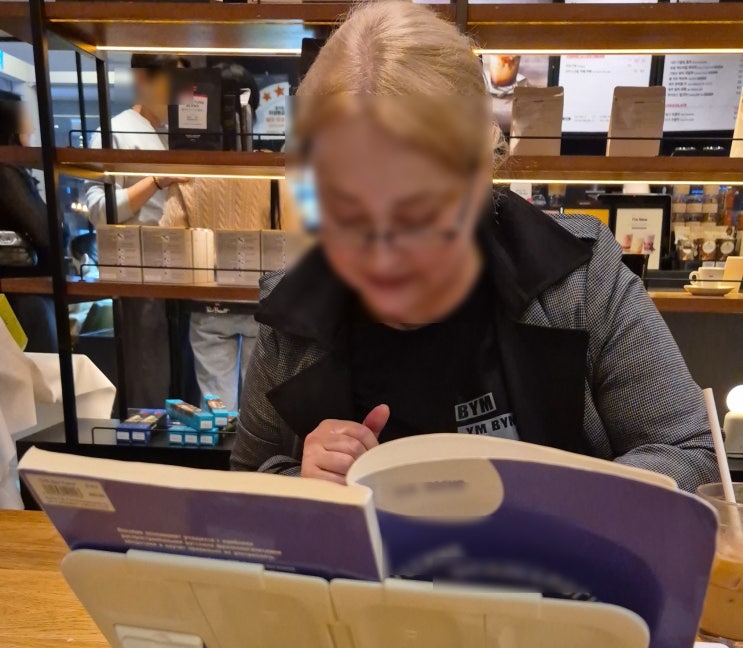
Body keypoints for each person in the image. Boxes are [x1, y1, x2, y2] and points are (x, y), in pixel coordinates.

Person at [231, 0, 717, 493]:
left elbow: (691, 452)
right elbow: (247, 484)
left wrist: (566, 500)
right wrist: (301, 484)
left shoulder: (580, 280)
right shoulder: (291, 321)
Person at [161, 63, 301, 411]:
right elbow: (293, 232)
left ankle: (220, 443)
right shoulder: (273, 168)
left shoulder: (190, 170)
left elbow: (169, 234)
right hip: (263, 300)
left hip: (208, 301)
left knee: (215, 403)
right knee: (261, 403)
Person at [85, 54, 190, 408]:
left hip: (178, 273)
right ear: (143, 79)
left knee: (178, 380)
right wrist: (155, 180)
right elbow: (99, 210)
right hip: (136, 273)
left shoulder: (173, 136)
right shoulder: (115, 131)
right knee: (148, 378)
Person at [0, 92, 56, 352]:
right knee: (38, 367)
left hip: (21, 292)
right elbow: (45, 232)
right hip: (21, 293)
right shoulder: (7, 173)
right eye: (25, 120)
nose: (32, 129)